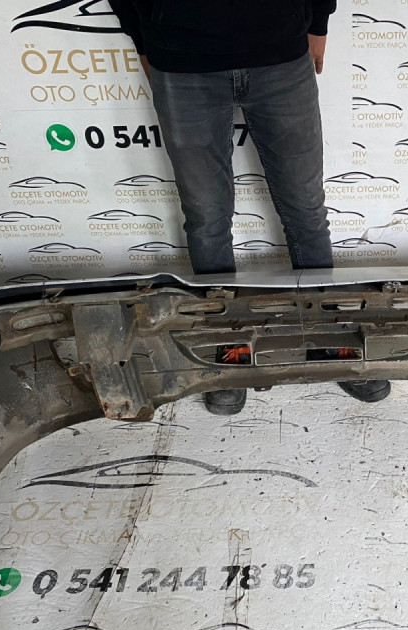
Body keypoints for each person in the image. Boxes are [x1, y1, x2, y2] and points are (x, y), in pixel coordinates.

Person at [108, 0, 391, 415]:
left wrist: (319, 21)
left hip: (279, 49)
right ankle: (229, 348)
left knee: (306, 210)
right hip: (182, 59)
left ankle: (330, 337)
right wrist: (145, 39)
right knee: (206, 217)